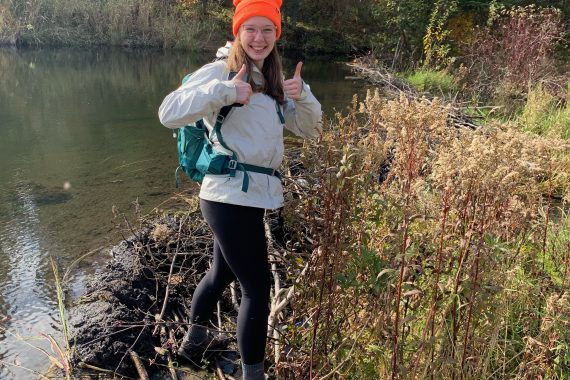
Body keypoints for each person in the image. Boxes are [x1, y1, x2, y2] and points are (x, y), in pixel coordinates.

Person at [158, 0, 322, 378]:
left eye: (268, 30)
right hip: (225, 196)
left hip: (252, 196)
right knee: (257, 288)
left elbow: (311, 130)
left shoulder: (278, 82)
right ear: (238, 31)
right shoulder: (222, 71)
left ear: (276, 35)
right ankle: (253, 374)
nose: (259, 38)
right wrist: (226, 93)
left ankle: (192, 345)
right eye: (251, 29)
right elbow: (168, 112)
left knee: (222, 274)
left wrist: (303, 97)